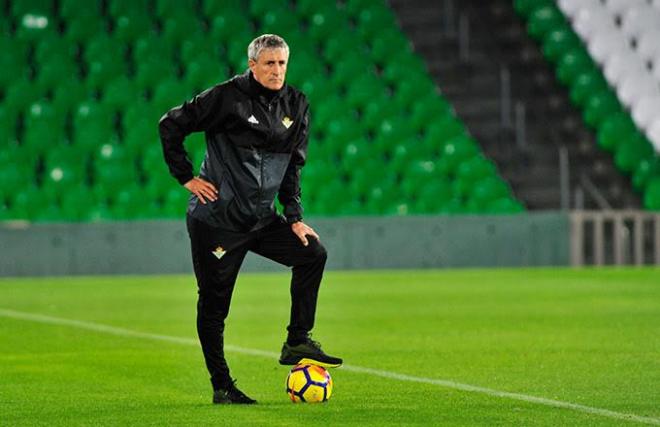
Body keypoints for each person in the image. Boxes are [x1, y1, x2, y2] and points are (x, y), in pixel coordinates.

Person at [158, 34, 342, 405]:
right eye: (269, 63)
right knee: (214, 305)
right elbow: (170, 124)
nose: (277, 70)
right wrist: (186, 177)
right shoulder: (225, 98)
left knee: (312, 253)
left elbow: (293, 166)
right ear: (253, 65)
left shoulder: (297, 104)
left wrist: (293, 217)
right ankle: (222, 385)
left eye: (282, 63)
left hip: (260, 219)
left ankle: (296, 340)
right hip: (218, 221)